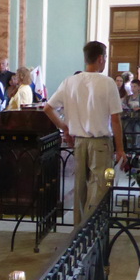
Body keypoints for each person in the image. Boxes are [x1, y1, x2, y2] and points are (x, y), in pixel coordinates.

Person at [43, 40, 124, 226]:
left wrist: (65, 128)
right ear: (101, 59)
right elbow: (115, 119)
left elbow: (48, 108)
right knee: (102, 186)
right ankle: (92, 228)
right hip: (101, 143)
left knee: (80, 187)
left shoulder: (70, 81)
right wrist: (120, 149)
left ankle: (78, 230)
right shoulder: (108, 83)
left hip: (78, 142)